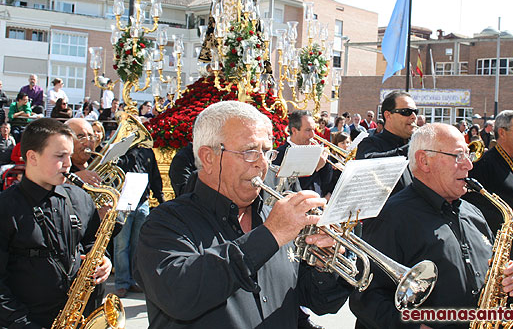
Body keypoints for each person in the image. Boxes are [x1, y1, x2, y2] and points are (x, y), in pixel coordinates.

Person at [134, 101, 350, 328]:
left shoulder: (273, 217)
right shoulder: (164, 223)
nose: (262, 164)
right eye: (249, 152)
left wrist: (324, 265)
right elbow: (180, 295)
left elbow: (318, 302)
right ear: (208, 157)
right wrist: (271, 235)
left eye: (266, 152)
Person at [349, 123, 513, 329]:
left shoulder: (473, 212)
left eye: (469, 155)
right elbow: (366, 299)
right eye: (458, 156)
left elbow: (490, 270)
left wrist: (511, 275)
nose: (469, 165)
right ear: (424, 161)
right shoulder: (391, 217)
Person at [0, 118, 111, 327]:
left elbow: (92, 245)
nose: (69, 164)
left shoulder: (81, 198)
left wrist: (105, 261)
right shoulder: (5, 208)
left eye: (69, 155)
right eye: (60, 156)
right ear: (32, 157)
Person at [462, 110, 513, 306]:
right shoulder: (484, 164)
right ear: (501, 133)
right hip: (497, 251)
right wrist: (508, 224)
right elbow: (470, 206)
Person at [113, 142, 165, 298]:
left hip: (142, 201)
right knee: (122, 245)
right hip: (124, 202)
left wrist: (159, 195)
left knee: (138, 243)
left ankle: (135, 279)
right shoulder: (121, 153)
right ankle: (122, 282)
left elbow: (154, 174)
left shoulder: (147, 153)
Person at [356, 91, 417, 195]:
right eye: (406, 112)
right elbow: (366, 165)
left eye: (416, 111)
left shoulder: (416, 145)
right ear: (388, 115)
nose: (414, 117)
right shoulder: (371, 143)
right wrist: (410, 148)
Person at [271, 110, 333, 198]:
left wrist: (326, 163)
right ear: (294, 131)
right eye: (308, 130)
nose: (312, 135)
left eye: (313, 130)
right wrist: (315, 168)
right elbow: (290, 189)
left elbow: (326, 183)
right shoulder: (280, 154)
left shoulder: (314, 149)